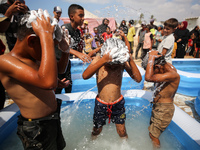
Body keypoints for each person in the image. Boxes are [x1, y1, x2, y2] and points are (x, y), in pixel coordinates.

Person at [0, 9, 70, 149]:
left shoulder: (34, 57)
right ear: (32, 40)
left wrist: (65, 52)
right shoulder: (5, 61)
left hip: (52, 120)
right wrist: (45, 37)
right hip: (36, 128)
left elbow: (59, 70)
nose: (48, 51)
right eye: (47, 46)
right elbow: (48, 82)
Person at [82, 31, 142, 139]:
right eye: (110, 63)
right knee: (97, 130)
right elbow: (85, 76)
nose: (114, 66)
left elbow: (138, 79)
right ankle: (92, 142)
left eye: (116, 63)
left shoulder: (122, 63)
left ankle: (125, 146)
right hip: (101, 104)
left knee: (122, 131)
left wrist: (130, 59)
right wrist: (103, 60)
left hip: (118, 103)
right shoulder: (99, 60)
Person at [142, 50, 180, 148]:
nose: (154, 74)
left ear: (158, 67)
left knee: (153, 135)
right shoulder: (166, 68)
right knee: (152, 132)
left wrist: (151, 59)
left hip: (164, 109)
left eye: (153, 70)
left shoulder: (172, 74)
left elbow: (149, 78)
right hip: (159, 107)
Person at [58, 4, 92, 94]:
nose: (83, 18)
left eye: (83, 15)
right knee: (57, 92)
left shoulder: (77, 31)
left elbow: (78, 50)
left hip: (67, 64)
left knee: (69, 88)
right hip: (57, 64)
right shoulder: (64, 29)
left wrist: (88, 55)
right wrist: (78, 54)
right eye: (80, 15)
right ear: (71, 16)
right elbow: (61, 46)